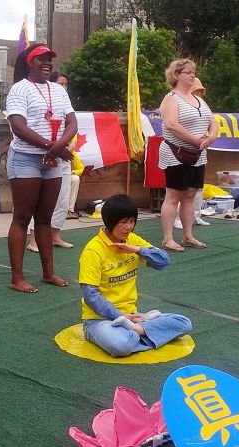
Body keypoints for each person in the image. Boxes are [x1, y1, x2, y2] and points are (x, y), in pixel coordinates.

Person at [79, 194, 192, 357]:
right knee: (122, 345)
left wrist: (137, 249)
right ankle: (141, 331)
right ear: (110, 221)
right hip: (99, 321)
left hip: (133, 317)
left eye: (132, 221)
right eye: (123, 222)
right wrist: (119, 316)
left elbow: (163, 262)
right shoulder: (93, 250)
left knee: (184, 323)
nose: (128, 227)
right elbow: (91, 296)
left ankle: (137, 331)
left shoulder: (131, 240)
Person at [6, 44, 77, 293]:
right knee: (22, 218)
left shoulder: (58, 90)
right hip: (26, 159)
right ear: (29, 62)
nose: (47, 63)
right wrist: (53, 146)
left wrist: (57, 147)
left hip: (52, 161)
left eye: (49, 59)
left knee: (45, 219)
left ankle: (48, 273)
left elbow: (72, 121)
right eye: (41, 59)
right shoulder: (19, 89)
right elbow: (18, 126)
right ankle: (17, 278)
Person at [159, 59, 218, 252]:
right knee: (173, 196)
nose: (193, 75)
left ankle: (187, 235)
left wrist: (211, 136)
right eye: (188, 72)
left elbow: (212, 119)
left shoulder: (198, 99)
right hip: (176, 154)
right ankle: (168, 238)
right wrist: (197, 140)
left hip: (198, 155)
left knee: (191, 195)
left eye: (193, 72)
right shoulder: (171, 98)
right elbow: (171, 125)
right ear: (176, 75)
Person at [27, 71, 77, 252]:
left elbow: (73, 132)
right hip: (45, 156)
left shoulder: (66, 106)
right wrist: (54, 149)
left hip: (64, 159)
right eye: (60, 84)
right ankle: (33, 240)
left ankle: (55, 235)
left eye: (66, 84)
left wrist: (66, 148)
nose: (64, 88)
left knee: (62, 200)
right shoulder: (42, 105)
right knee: (41, 201)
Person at [174, 77, 210, 229]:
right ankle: (177, 218)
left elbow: (210, 124)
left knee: (198, 188)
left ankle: (196, 215)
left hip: (200, 152)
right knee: (181, 188)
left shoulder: (203, 106)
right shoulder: (179, 104)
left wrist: (208, 138)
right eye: (196, 91)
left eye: (201, 91)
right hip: (183, 153)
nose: (199, 94)